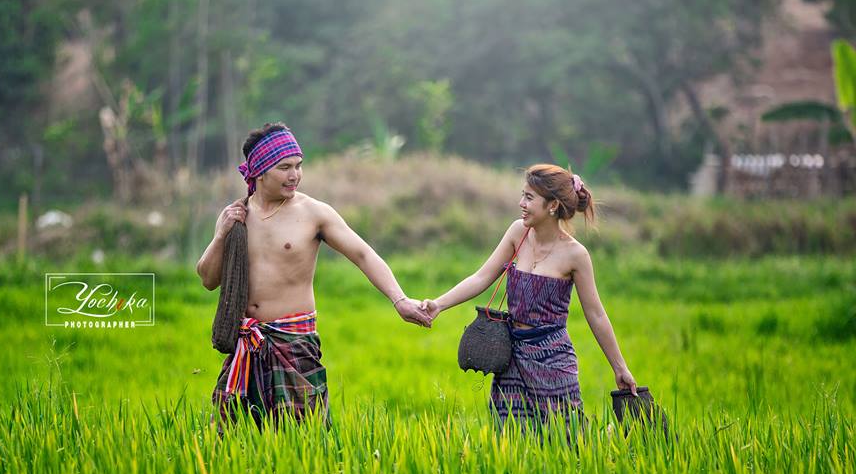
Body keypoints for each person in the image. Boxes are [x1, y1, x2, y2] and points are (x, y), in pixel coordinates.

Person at [197, 122, 431, 425]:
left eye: (298, 165)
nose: (294, 175)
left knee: (305, 436)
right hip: (247, 344)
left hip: (295, 343)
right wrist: (220, 235)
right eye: (284, 167)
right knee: (238, 441)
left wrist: (399, 300)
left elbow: (363, 254)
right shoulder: (236, 215)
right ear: (259, 170)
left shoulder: (313, 213)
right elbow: (207, 279)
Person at [421, 164, 636, 436]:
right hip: (511, 358)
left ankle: (607, 442)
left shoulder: (576, 255)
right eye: (523, 195)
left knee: (567, 440)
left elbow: (596, 315)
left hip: (553, 359)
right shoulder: (517, 233)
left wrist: (620, 367)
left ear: (553, 205)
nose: (521, 204)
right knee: (510, 438)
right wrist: (439, 304)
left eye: (529, 198)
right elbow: (481, 278)